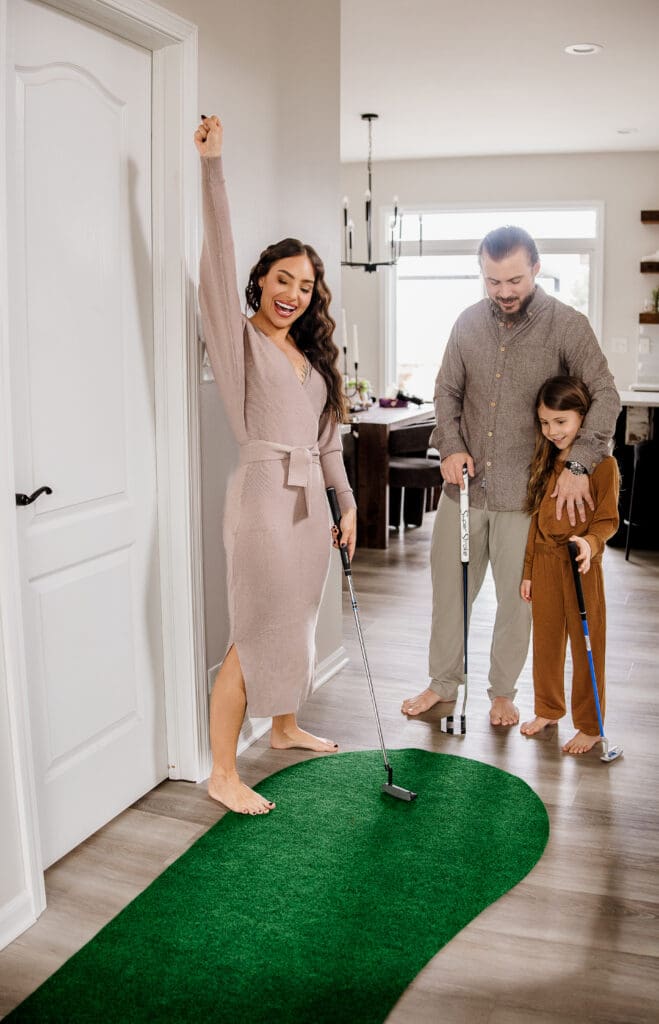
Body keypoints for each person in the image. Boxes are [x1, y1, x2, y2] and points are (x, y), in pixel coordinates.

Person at [195, 115, 356, 815]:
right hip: (262, 498)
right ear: (259, 280)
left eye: (305, 286)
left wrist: (346, 505)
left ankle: (284, 726)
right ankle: (222, 772)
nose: (291, 293)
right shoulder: (238, 343)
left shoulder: (311, 357)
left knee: (297, 621)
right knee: (254, 631)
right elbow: (218, 254)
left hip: (309, 504)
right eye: (280, 279)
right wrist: (213, 168)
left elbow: (326, 444)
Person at [401, 225, 620, 726]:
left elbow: (606, 395)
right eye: (493, 281)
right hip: (464, 493)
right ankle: (442, 684)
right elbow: (446, 393)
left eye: (514, 280)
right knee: (450, 594)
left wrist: (579, 466)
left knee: (518, 603)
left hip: (528, 499)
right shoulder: (466, 324)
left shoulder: (567, 326)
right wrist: (451, 447)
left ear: (537, 269)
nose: (504, 292)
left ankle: (503, 692)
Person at [520, 377, 619, 753]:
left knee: (587, 646)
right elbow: (537, 521)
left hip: (581, 566)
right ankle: (548, 709)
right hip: (544, 564)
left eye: (561, 421)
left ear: (582, 417)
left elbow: (608, 520)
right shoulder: (547, 460)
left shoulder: (602, 465)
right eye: (545, 423)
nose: (552, 431)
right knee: (545, 644)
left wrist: (590, 544)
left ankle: (591, 726)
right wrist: (528, 571)